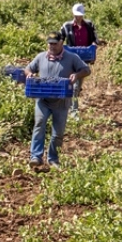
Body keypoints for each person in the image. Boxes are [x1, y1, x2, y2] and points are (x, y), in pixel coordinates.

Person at [26, 32, 90, 172]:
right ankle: (35, 156)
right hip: (43, 100)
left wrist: (77, 75)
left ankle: (53, 159)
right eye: (50, 43)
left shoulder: (71, 58)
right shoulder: (41, 57)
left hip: (61, 102)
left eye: (55, 43)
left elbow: (86, 69)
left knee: (58, 132)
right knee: (39, 124)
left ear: (62, 43)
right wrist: (29, 74)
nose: (52, 46)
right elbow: (28, 68)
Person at [59, 3, 98, 118]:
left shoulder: (89, 25)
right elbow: (60, 39)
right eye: (76, 15)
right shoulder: (67, 26)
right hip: (70, 58)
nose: (78, 17)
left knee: (77, 85)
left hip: (84, 59)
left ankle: (72, 110)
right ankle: (72, 110)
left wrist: (94, 46)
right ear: (73, 14)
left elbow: (95, 39)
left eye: (80, 15)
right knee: (71, 84)